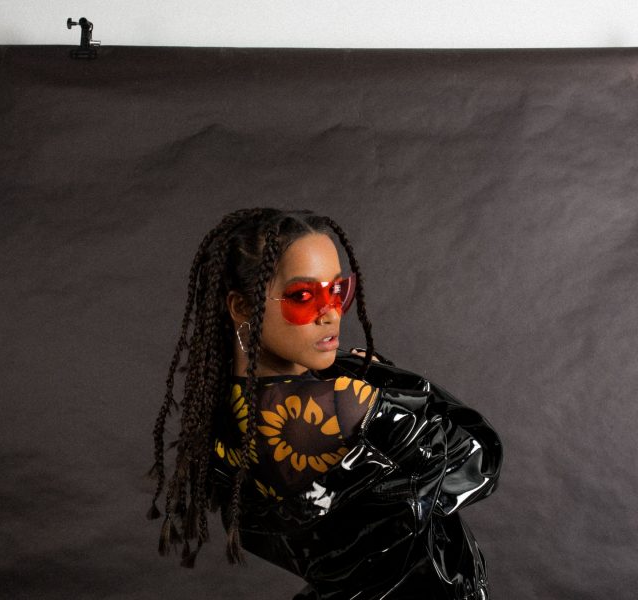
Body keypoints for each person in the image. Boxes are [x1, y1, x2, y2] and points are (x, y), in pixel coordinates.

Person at [149, 208, 503, 599]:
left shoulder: (218, 411)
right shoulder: (340, 403)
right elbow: (481, 458)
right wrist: (382, 376)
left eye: (337, 291)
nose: (330, 314)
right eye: (303, 296)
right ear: (242, 307)